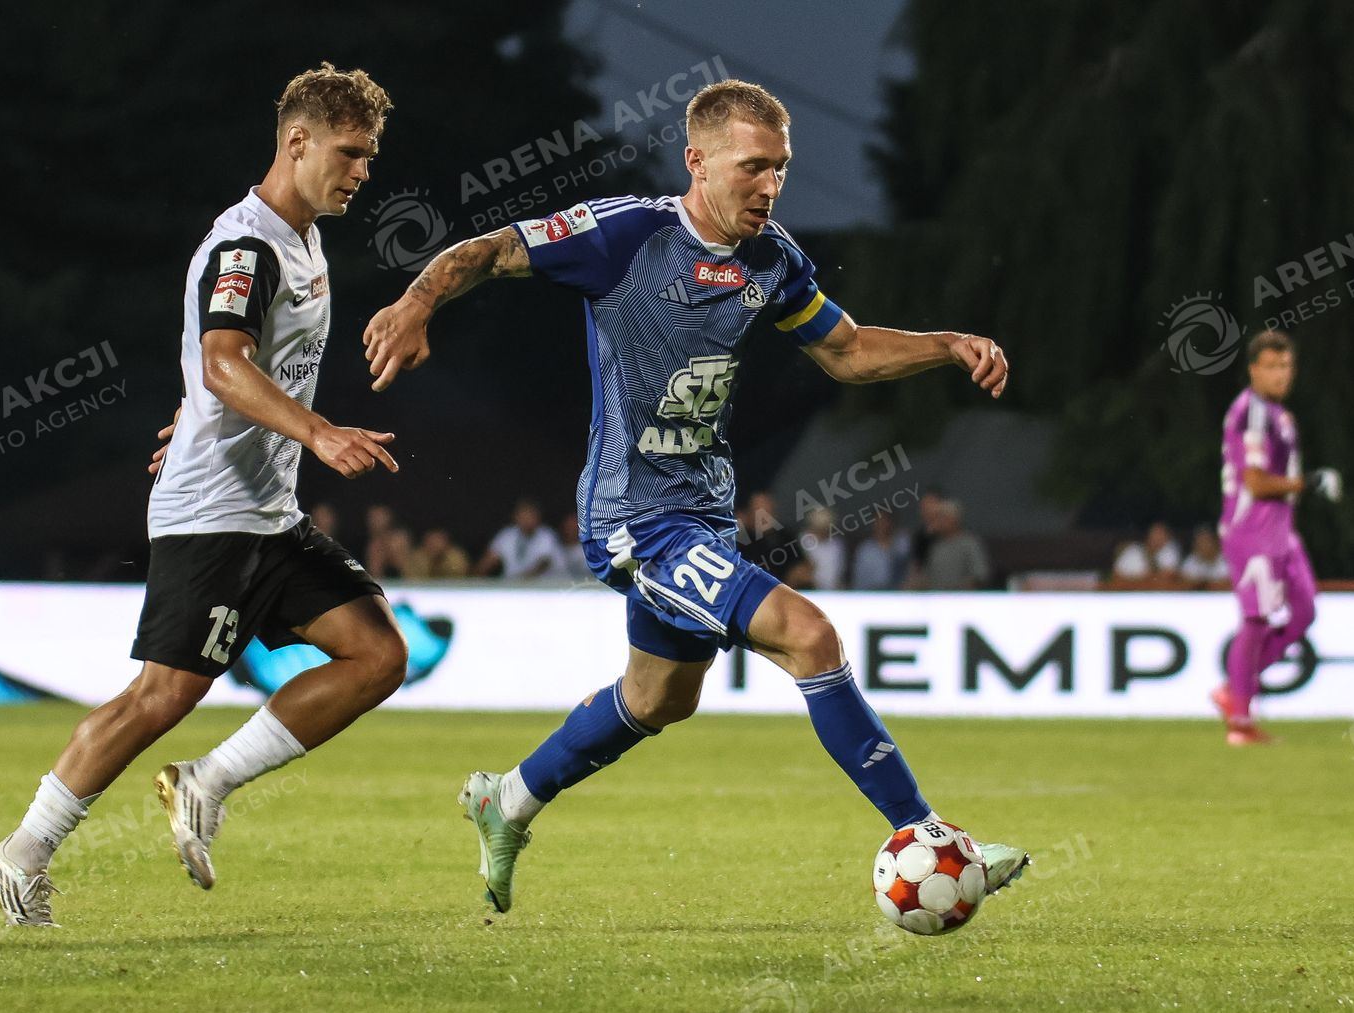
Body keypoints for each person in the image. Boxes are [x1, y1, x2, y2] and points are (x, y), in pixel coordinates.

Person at [363, 78, 1027, 913]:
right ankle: (929, 837)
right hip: (635, 521)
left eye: (780, 168)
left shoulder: (773, 259)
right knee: (809, 636)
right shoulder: (625, 236)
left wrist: (948, 344)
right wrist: (416, 302)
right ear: (698, 162)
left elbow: (847, 351)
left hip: (704, 517)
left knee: (659, 698)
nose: (770, 185)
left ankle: (510, 799)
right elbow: (491, 250)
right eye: (753, 167)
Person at [0, 67, 406, 927]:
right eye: (349, 152)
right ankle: (21, 855)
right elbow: (221, 360)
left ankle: (207, 782)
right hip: (213, 515)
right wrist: (318, 433)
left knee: (377, 655)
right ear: (297, 142)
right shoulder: (247, 246)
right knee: (160, 699)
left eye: (370, 156)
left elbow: (226, 369)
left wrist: (204, 414)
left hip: (269, 516)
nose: (362, 172)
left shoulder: (303, 241)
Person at [1215, 330, 1342, 745]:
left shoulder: (1278, 414)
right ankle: (1240, 720)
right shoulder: (1251, 412)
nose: (1280, 374)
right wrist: (1308, 483)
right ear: (1253, 370)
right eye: (1270, 366)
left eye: (1285, 366)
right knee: (1256, 619)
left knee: (1304, 610)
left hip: (1280, 531)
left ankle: (1235, 689)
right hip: (1251, 529)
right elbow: (1255, 482)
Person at [475, 499, 564, 579]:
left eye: (530, 515)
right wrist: (474, 577)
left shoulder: (547, 535)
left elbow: (544, 563)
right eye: (523, 515)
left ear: (538, 517)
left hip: (541, 587)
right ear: (515, 517)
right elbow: (489, 561)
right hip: (512, 587)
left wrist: (522, 580)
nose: (526, 520)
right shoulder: (507, 535)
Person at [916, 497, 991, 590]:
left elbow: (980, 575)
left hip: (962, 597)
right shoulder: (935, 545)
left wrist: (960, 588)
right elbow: (926, 576)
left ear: (954, 519)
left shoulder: (970, 544)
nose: (938, 522)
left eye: (942, 517)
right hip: (936, 596)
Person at [849, 507, 910, 590]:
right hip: (871, 594)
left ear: (891, 522)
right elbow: (859, 581)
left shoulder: (903, 543)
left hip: (899, 594)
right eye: (878, 520)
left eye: (885, 520)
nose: (882, 524)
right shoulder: (865, 549)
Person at [1112, 520, 1182, 582]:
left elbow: (1170, 575)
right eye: (1155, 533)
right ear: (1148, 535)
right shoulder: (1133, 551)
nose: (1158, 538)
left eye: (1162, 534)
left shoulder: (1169, 551)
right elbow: (1117, 576)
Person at [797, 508, 846, 590]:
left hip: (832, 591)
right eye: (819, 526)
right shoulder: (801, 541)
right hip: (807, 590)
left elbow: (840, 573)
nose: (822, 530)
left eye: (825, 527)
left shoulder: (837, 544)